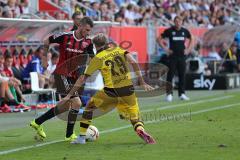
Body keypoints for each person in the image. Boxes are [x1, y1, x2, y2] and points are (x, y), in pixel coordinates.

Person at [62, 33, 156, 144]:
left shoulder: (98, 58)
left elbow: (82, 78)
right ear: (107, 43)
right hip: (128, 91)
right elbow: (134, 62)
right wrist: (142, 82)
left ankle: (82, 137)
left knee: (89, 107)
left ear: (95, 46)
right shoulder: (119, 50)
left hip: (111, 92)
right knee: (135, 118)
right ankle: (140, 130)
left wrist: (69, 95)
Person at [30, 17, 95, 142]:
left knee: (66, 107)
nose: (88, 33)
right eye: (86, 30)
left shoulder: (88, 42)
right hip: (60, 74)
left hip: (72, 77)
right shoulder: (65, 36)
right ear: (80, 25)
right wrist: (44, 59)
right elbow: (46, 40)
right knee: (77, 103)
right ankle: (69, 134)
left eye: (89, 31)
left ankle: (37, 122)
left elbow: (93, 58)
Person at [158, 16, 193, 102]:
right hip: (172, 57)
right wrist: (165, 49)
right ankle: (169, 94)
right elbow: (158, 39)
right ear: (174, 22)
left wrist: (188, 49)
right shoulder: (169, 31)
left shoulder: (185, 31)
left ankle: (182, 94)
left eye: (179, 21)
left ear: (182, 22)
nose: (178, 23)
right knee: (170, 75)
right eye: (176, 21)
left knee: (182, 75)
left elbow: (192, 38)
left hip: (182, 56)